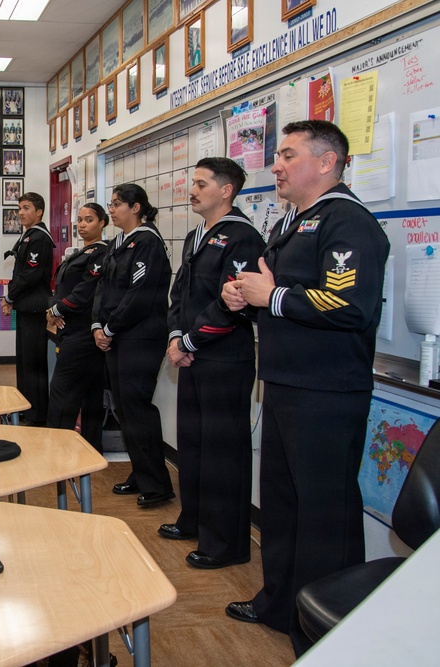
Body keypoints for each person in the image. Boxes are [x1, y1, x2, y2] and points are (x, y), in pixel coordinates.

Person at [221, 121, 389, 656]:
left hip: (327, 392)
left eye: (288, 154)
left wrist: (269, 297)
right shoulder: (297, 222)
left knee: (323, 515)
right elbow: (279, 292)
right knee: (284, 505)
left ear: (327, 162)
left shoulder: (349, 223)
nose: (275, 165)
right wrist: (245, 297)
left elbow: (349, 305)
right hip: (288, 384)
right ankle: (281, 602)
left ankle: (324, 630)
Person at [159, 158, 265, 570]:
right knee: (195, 446)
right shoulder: (195, 236)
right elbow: (179, 295)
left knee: (223, 454)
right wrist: (174, 337)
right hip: (190, 355)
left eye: (202, 183)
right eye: (193, 182)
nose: (193, 189)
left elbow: (234, 302)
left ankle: (225, 544)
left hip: (223, 358)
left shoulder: (241, 237)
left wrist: (188, 340)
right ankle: (195, 520)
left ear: (226, 191)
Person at [94, 183, 173, 507]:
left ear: (136, 207)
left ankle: (157, 484)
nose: (111, 210)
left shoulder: (148, 243)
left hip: (140, 338)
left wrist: (111, 327)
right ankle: (141, 473)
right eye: (110, 204)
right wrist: (99, 324)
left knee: (138, 410)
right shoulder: (119, 241)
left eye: (117, 204)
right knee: (124, 409)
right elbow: (105, 287)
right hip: (117, 336)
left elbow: (139, 295)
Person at [46, 203, 110, 449]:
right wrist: (55, 308)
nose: (82, 225)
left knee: (63, 390)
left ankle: (55, 443)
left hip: (84, 332)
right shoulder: (81, 251)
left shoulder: (101, 252)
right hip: (70, 327)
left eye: (89, 220)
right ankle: (89, 447)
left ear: (102, 223)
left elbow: (84, 292)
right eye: (80, 220)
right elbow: (61, 287)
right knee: (88, 391)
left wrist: (56, 310)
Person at [1, 192, 54, 426]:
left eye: (26, 208)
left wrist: (9, 296)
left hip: (34, 310)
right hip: (24, 308)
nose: (21, 212)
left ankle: (37, 416)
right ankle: (24, 408)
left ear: (39, 211)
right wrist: (12, 298)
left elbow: (30, 276)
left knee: (34, 368)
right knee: (23, 365)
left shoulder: (39, 238)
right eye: (19, 208)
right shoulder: (28, 236)